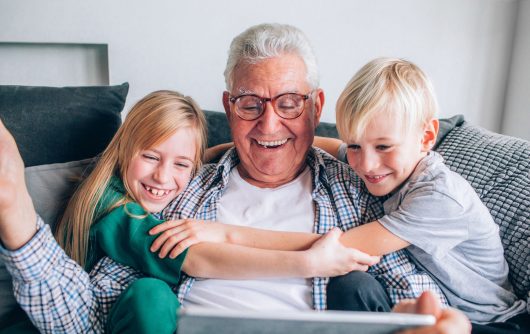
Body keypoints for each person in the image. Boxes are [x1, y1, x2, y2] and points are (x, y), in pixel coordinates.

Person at [0, 23, 473, 334]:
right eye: (251, 104)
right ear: (229, 107)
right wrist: (20, 225)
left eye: (289, 103)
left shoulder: (354, 187)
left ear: (316, 108)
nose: (269, 126)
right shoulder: (183, 189)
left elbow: (397, 276)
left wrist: (431, 317)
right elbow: (88, 310)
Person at [143, 58, 527, 329]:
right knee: (354, 288)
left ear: (426, 137)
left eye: (383, 148)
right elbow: (328, 145)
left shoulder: (439, 199)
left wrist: (223, 232)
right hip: (434, 302)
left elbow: (337, 246)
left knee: (361, 286)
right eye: (357, 147)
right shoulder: (372, 158)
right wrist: (210, 153)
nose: (366, 165)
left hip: (487, 320)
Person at [0, 90, 370, 333]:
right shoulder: (116, 209)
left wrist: (332, 145)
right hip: (84, 318)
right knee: (152, 295)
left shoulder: (183, 179)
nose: (163, 176)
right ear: (125, 151)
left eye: (181, 165)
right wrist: (309, 260)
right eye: (149, 157)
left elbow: (205, 156)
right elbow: (196, 259)